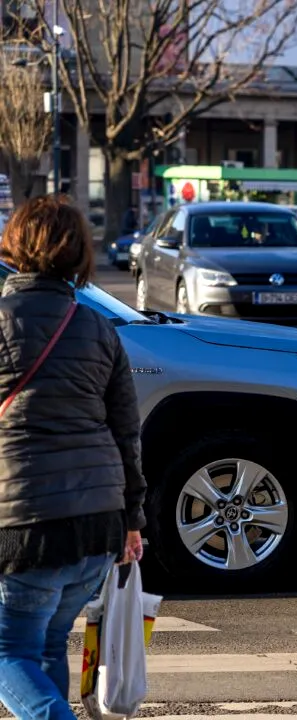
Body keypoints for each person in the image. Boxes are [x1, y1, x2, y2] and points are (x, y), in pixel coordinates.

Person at [0, 196, 146, 720]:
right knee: (46, 646)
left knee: (7, 652)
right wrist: (132, 522)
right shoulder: (98, 328)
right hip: (98, 524)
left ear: (16, 248)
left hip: (24, 522)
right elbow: (127, 433)